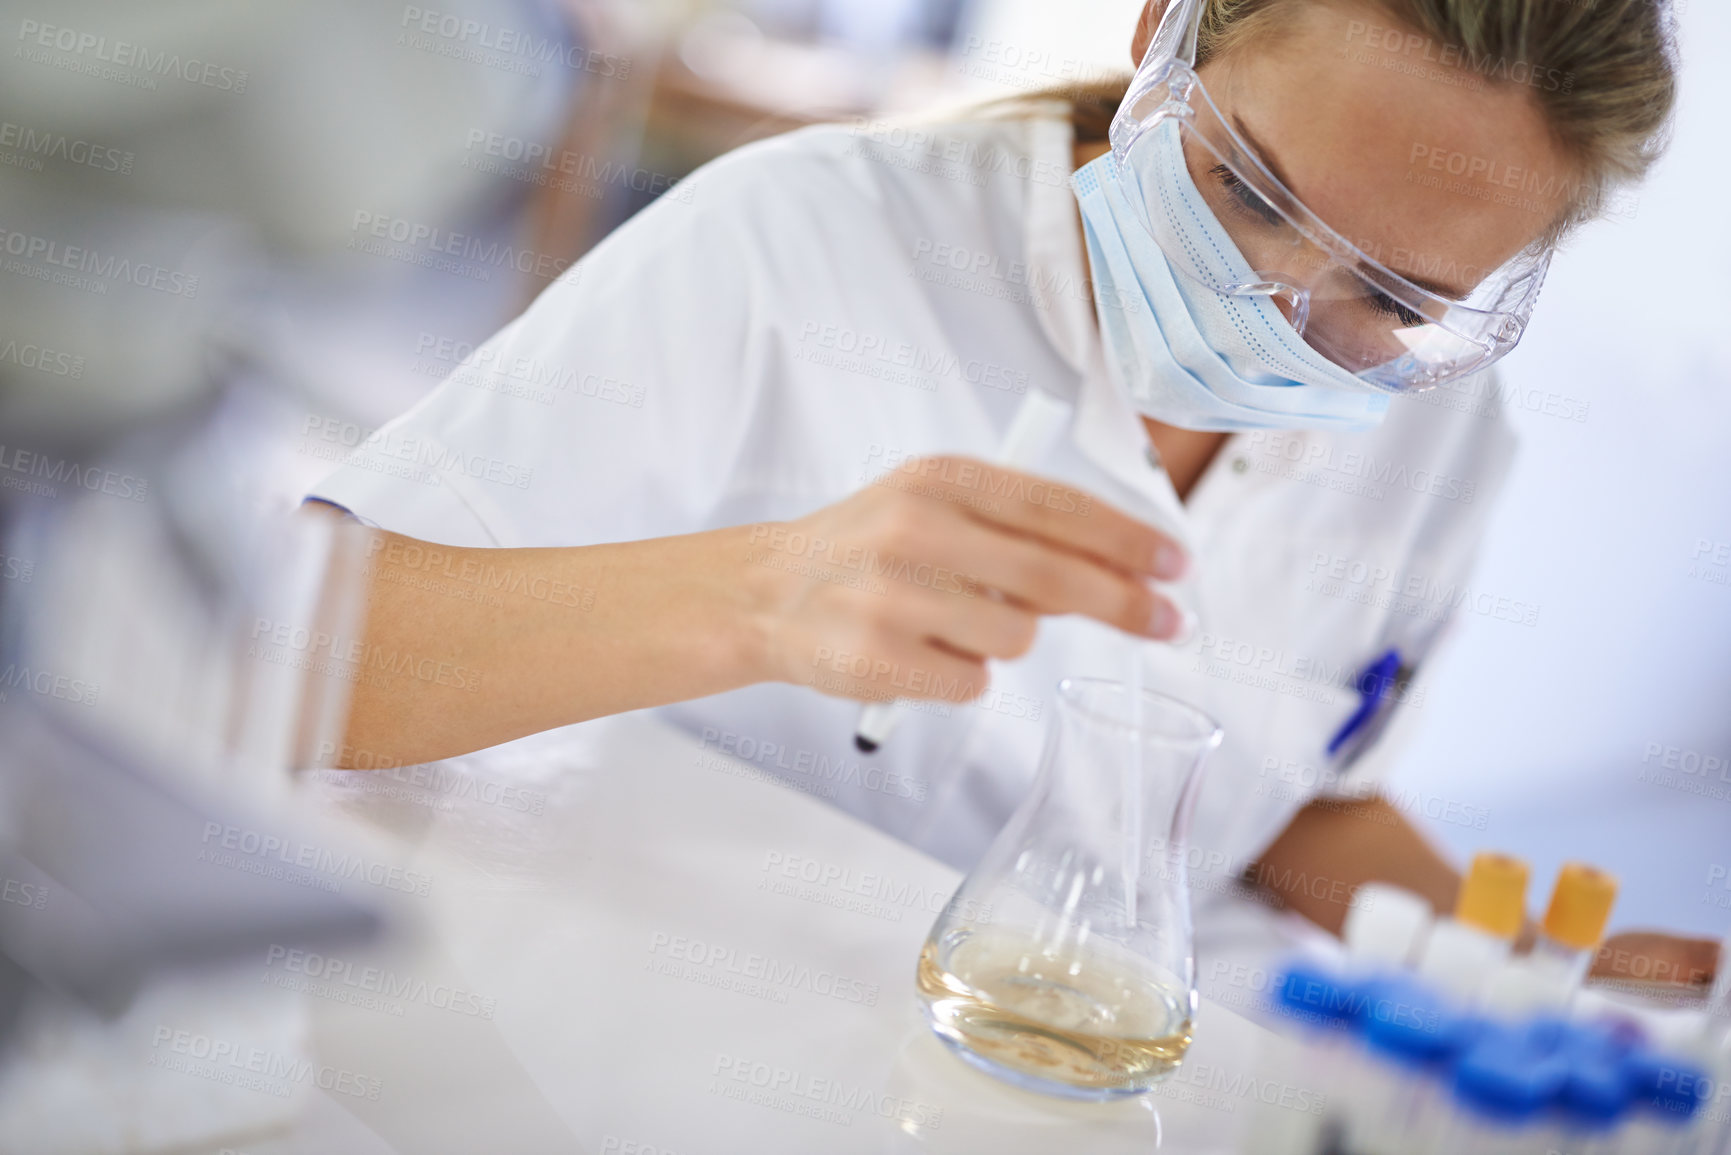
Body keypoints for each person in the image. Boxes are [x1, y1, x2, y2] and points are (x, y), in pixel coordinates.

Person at [307, 0, 1702, 974]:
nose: (1278, 309)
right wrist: (753, 595)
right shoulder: (803, 239)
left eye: (1396, 297)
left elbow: (1295, 801)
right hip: (681, 1040)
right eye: (1256, 195)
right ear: (1162, 33)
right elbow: (308, 659)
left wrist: (1522, 973)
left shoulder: (1444, 442)